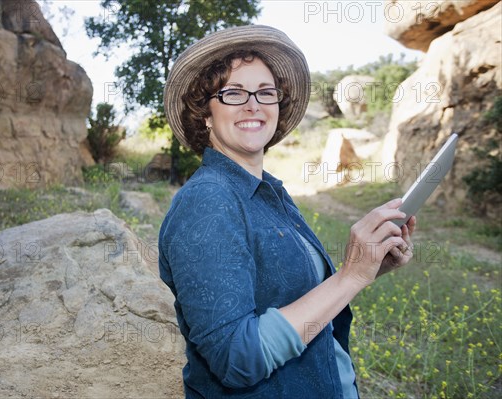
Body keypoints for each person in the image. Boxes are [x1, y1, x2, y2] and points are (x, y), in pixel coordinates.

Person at [159, 25, 416, 399]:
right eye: (233, 93)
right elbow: (236, 358)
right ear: (205, 115)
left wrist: (370, 266)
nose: (253, 104)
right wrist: (349, 276)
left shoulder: (269, 192)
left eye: (265, 92)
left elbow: (296, 300)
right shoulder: (207, 201)